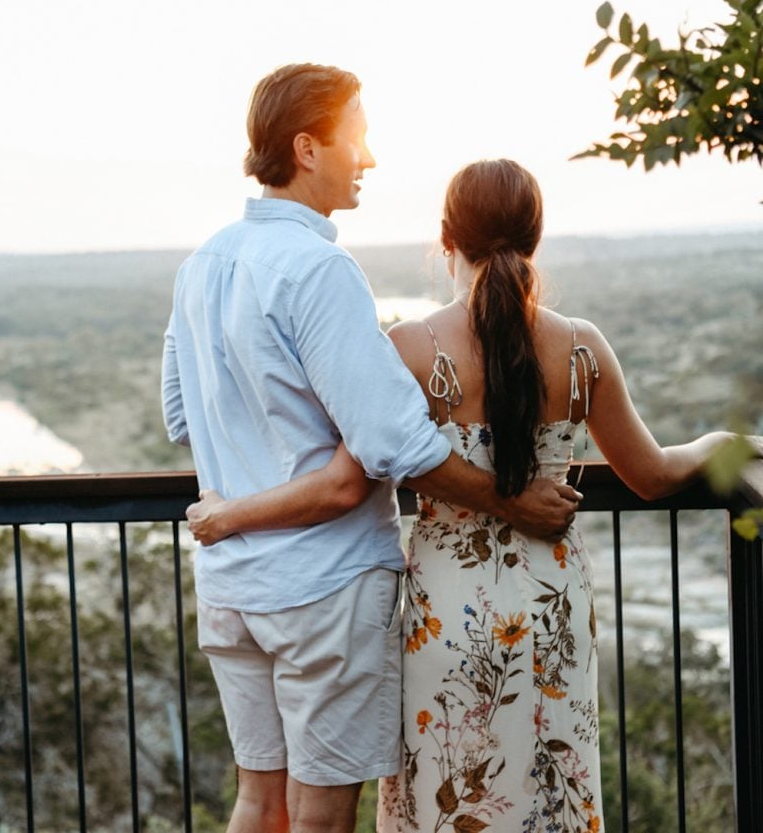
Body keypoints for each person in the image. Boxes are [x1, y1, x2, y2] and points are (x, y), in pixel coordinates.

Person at [186, 156, 759, 833]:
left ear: (446, 238)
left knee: (451, 787)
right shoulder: (582, 349)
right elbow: (654, 475)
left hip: (448, 610)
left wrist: (230, 510)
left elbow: (350, 474)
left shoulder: (409, 349)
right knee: (552, 787)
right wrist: (722, 442)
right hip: (553, 602)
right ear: (535, 238)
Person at [161, 67, 579, 833]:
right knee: (320, 815)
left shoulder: (203, 265)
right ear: (307, 146)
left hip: (231, 586)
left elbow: (182, 415)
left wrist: (244, 484)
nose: (371, 158)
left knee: (259, 800)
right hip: (321, 589)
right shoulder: (319, 269)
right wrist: (509, 497)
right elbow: (392, 441)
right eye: (358, 138)